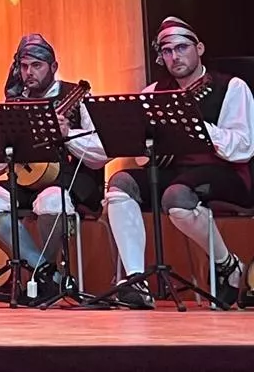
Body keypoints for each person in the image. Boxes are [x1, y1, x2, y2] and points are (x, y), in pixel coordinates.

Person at [104, 17, 253, 309]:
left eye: (182, 48)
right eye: (168, 51)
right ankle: (136, 281)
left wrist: (197, 126)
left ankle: (226, 265)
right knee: (120, 182)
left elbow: (244, 148)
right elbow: (140, 157)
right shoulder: (152, 93)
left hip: (226, 173)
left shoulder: (232, 87)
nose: (175, 56)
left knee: (176, 196)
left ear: (199, 48)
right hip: (174, 173)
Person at [0, 35, 105, 295]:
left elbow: (101, 152)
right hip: (26, 182)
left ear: (53, 67)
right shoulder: (15, 102)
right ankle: (45, 270)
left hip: (72, 181)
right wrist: (5, 149)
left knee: (51, 200)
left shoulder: (77, 97)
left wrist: (68, 137)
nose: (28, 72)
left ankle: (45, 273)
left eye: (36, 66)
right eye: (23, 66)